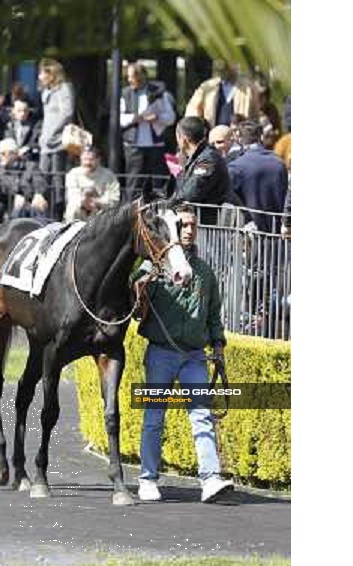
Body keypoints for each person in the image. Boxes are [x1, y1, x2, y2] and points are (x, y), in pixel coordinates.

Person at [131, 205, 234, 503]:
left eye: (193, 225)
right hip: (161, 353)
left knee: (202, 416)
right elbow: (133, 293)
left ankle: (211, 479)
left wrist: (218, 348)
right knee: (154, 418)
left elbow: (214, 315)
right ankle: (147, 479)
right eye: (184, 225)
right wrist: (141, 285)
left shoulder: (205, 272)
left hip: (194, 356)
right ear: (175, 229)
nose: (189, 230)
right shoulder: (154, 266)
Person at [120, 62, 176, 200]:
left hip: (155, 144)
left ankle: (157, 210)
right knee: (134, 181)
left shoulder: (159, 92)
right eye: (128, 77)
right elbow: (119, 118)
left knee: (157, 181)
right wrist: (134, 118)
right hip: (133, 145)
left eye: (132, 76)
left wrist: (157, 117)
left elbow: (171, 117)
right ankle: (130, 212)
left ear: (142, 76)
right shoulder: (125, 93)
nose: (129, 80)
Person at [169, 117, 233, 225]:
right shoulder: (195, 158)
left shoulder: (208, 160)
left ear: (183, 139)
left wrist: (167, 205)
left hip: (209, 229)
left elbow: (190, 193)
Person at [227, 120, 288, 232]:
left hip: (250, 233)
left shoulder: (236, 166)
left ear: (239, 139)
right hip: (278, 234)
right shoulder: (279, 163)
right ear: (261, 137)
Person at [37, 58, 75, 220]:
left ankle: (57, 214)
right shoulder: (46, 92)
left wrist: (53, 132)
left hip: (58, 140)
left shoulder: (64, 89)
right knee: (43, 175)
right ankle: (44, 211)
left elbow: (67, 113)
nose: (39, 76)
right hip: (46, 141)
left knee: (57, 177)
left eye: (42, 73)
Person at [184, 61, 258, 128]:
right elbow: (192, 112)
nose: (225, 67)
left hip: (239, 138)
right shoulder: (207, 87)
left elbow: (255, 117)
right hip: (213, 137)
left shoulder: (248, 88)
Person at [64, 146, 120, 222]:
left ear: (98, 160)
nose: (87, 163)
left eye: (90, 159)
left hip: (101, 210)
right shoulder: (73, 174)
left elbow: (114, 199)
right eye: (84, 159)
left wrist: (96, 202)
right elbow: (72, 195)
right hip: (80, 210)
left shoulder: (109, 175)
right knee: (73, 208)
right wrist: (85, 202)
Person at [0, 138, 49, 219]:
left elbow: (39, 181)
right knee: (19, 207)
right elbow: (3, 192)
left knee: (37, 206)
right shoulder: (0, 172)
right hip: (10, 207)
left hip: (29, 205)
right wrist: (15, 197)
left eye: (3, 154)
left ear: (13, 154)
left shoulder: (30, 166)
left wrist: (38, 194)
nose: (0, 156)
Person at [3, 99, 42, 164]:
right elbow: (8, 140)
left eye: (25, 110)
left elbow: (36, 140)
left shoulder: (36, 124)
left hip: (30, 158)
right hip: (12, 157)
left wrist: (27, 148)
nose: (23, 113)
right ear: (13, 111)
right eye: (19, 111)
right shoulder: (9, 125)